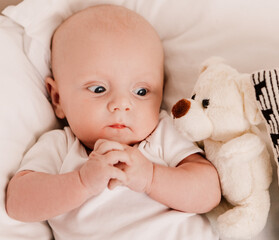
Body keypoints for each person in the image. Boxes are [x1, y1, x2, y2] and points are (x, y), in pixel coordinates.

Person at [6, 4, 221, 240]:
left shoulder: (163, 134)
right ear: (57, 98)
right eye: (99, 89)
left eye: (141, 91)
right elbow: (18, 202)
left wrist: (151, 177)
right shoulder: (60, 147)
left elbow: (209, 193)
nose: (121, 104)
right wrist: (81, 182)